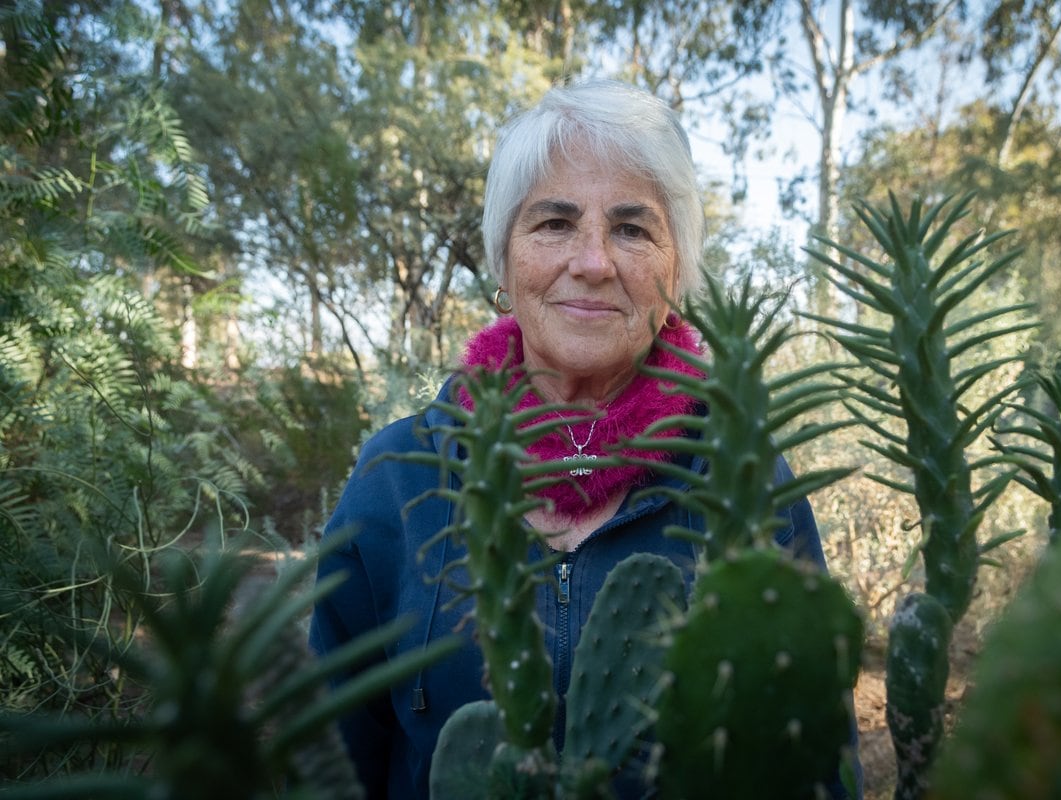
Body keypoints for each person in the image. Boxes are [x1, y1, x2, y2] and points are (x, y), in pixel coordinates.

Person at [309, 79, 860, 799]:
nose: (594, 261)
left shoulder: (749, 485)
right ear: (505, 263)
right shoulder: (395, 480)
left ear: (676, 272)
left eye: (632, 229)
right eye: (554, 224)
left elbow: (815, 767)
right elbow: (328, 767)